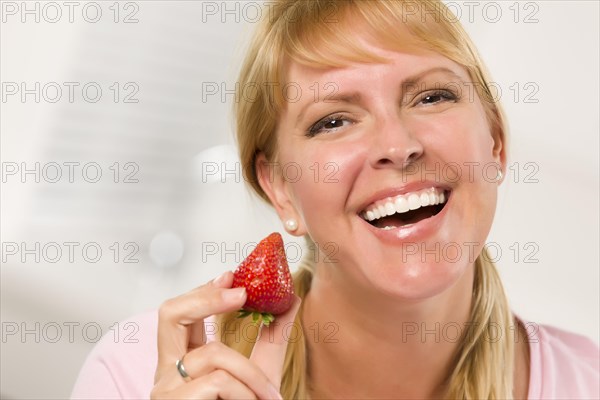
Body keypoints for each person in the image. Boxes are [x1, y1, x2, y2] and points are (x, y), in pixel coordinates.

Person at [72, 1, 600, 399]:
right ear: (279, 188)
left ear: (496, 142)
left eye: (432, 96)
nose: (397, 146)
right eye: (334, 121)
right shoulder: (141, 373)